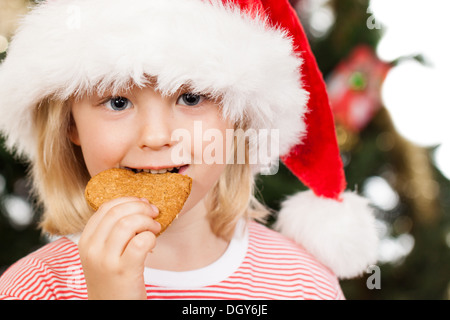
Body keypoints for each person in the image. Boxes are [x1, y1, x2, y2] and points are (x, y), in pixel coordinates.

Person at [0, 0, 378, 300]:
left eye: (192, 97)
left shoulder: (302, 282)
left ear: (238, 119)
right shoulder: (33, 288)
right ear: (70, 125)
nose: (157, 136)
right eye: (117, 102)